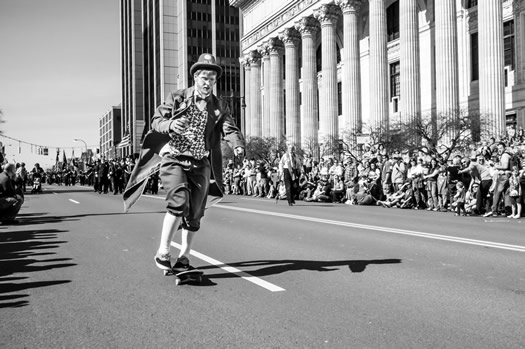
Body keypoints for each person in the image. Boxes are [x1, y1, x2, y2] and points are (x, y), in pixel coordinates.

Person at [123, 53, 245, 273]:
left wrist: (237, 145)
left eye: (212, 79)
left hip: (200, 162)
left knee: (195, 213)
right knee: (179, 203)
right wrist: (170, 124)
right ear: (195, 77)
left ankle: (184, 257)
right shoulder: (178, 97)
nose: (208, 83)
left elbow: (230, 129)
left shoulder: (219, 106)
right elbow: (156, 121)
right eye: (204, 78)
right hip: (175, 158)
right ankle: (163, 252)